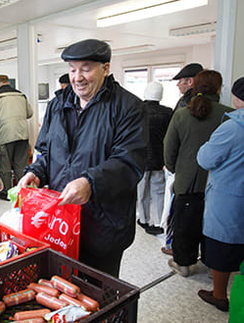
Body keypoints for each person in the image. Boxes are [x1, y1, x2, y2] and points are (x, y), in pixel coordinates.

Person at [19, 39, 147, 277]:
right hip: (60, 221)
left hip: (102, 225)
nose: (78, 77)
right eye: (72, 69)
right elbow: (47, 152)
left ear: (105, 68)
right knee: (60, 288)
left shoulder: (128, 107)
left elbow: (130, 162)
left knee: (96, 295)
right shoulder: (58, 105)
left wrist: (91, 182)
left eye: (86, 68)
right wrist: (36, 171)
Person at [164, 70, 233, 277]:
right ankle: (212, 263)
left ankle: (183, 264)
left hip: (187, 181)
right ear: (219, 89)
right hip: (219, 183)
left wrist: (174, 168)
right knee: (213, 225)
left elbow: (169, 147)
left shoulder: (182, 114)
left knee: (185, 223)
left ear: (194, 87)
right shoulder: (228, 115)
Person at [196, 77, 244, 312]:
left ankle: (219, 295)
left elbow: (205, 158)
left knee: (222, 247)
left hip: (230, 197)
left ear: (236, 98)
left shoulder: (233, 127)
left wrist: (205, 144)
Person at [0, 75, 33, 200]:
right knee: (21, 165)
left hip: (5, 135)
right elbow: (29, 113)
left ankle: (6, 192)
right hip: (22, 134)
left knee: (5, 166)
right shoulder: (21, 95)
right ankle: (23, 192)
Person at [136, 82, 173, 235]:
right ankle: (158, 222)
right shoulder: (168, 112)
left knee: (142, 193)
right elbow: (170, 137)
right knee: (158, 193)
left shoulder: (137, 110)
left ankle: (144, 220)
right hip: (159, 159)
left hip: (140, 159)